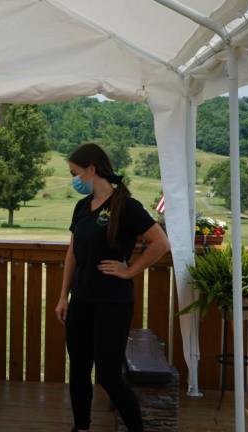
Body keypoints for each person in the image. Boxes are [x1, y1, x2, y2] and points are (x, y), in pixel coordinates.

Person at [54, 143, 170, 432]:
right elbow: (73, 253)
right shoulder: (82, 206)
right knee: (79, 371)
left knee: (108, 375)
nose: (74, 179)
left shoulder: (126, 206)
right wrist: (63, 296)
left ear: (92, 169)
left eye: (75, 173)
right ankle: (81, 427)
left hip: (112, 302)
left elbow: (161, 243)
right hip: (81, 299)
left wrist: (130, 269)